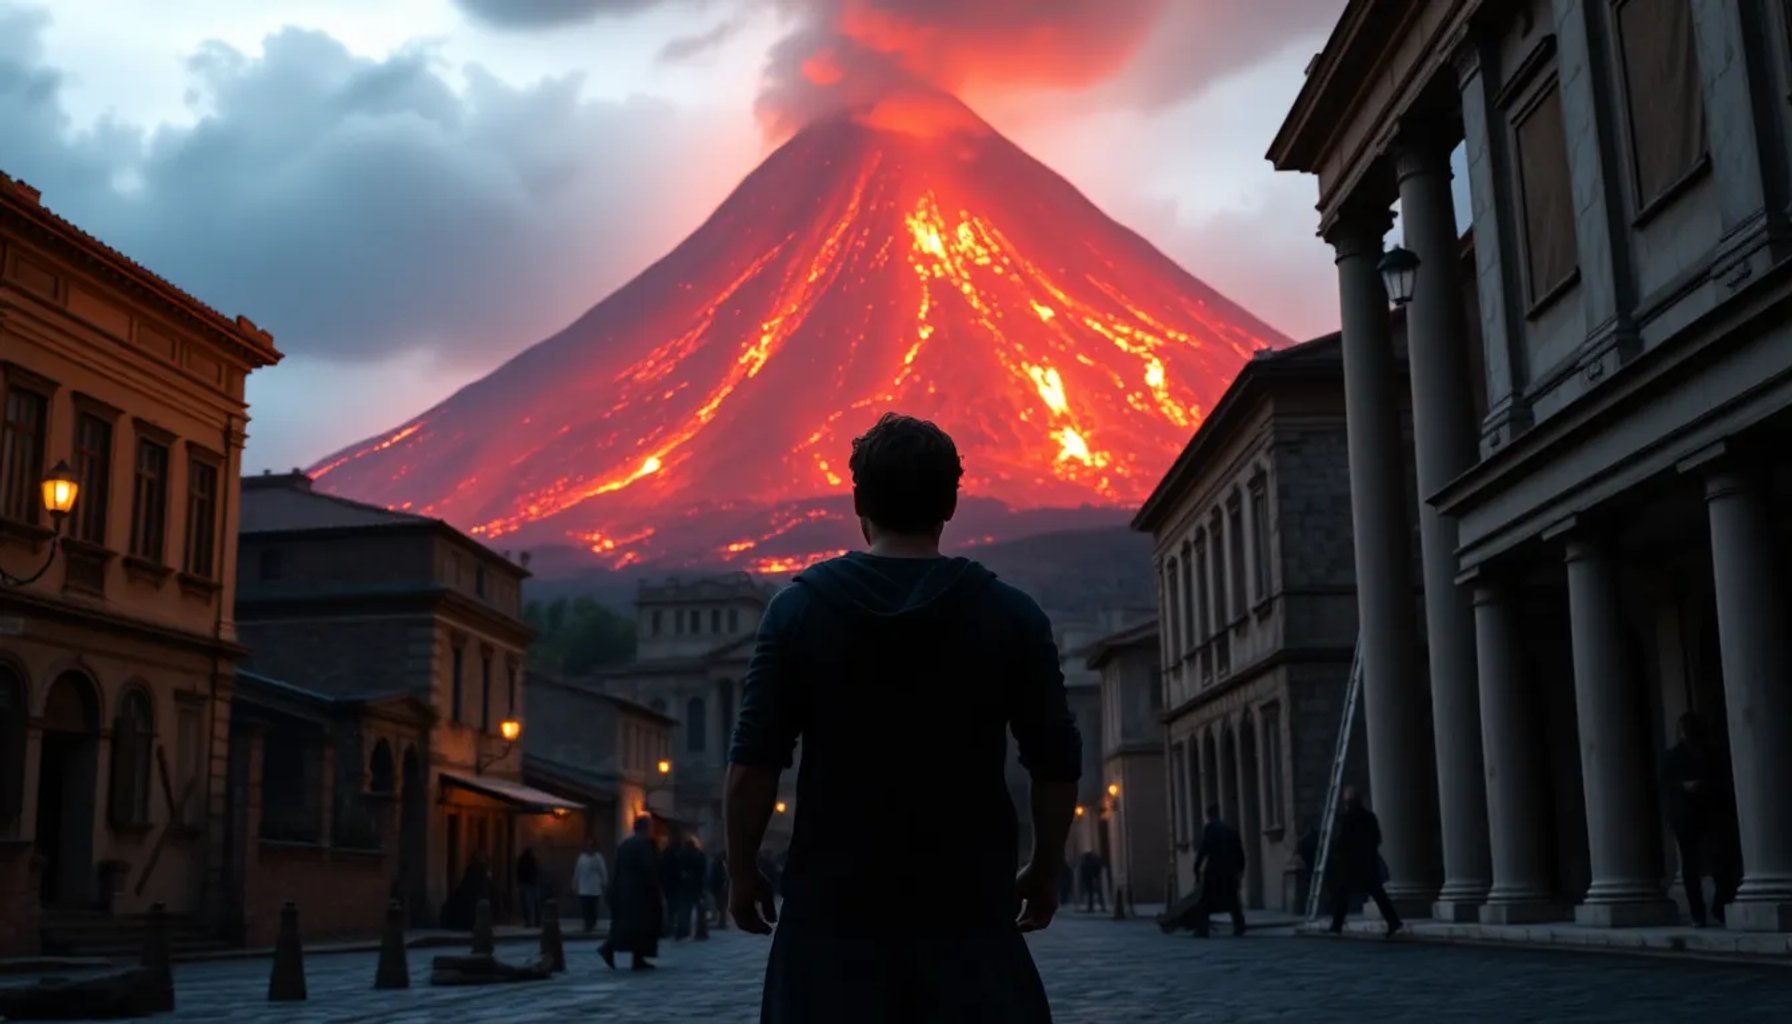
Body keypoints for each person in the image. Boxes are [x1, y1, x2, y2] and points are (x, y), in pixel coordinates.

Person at [724, 413, 1082, 1024]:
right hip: (967, 912)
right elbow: (1055, 761)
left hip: (832, 918)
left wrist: (740, 870)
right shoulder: (1011, 615)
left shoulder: (798, 611)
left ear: (858, 501)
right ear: (951, 504)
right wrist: (1046, 870)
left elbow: (753, 763)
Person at [1662, 711, 1742, 926]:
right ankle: (1698, 913)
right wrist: (1683, 786)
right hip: (1685, 816)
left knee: (1720, 860)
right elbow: (1665, 783)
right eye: (1684, 730)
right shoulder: (1674, 756)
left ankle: (1719, 905)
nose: (1686, 734)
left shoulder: (1712, 754)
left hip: (1710, 812)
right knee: (1691, 865)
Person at [1327, 786, 1403, 937]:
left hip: (1350, 864)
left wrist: (1338, 854)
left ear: (1347, 803)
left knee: (1343, 894)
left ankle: (1336, 926)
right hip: (1368, 862)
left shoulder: (1346, 819)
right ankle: (1393, 921)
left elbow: (1341, 841)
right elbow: (1377, 838)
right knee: (1377, 893)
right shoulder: (1369, 817)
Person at [600, 816, 663, 971]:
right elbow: (648, 868)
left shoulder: (626, 844)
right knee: (639, 925)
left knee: (630, 925)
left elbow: (618, 868)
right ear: (646, 828)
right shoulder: (644, 844)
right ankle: (610, 948)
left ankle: (638, 958)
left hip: (624, 891)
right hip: (639, 892)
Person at [1184, 805, 1247, 937]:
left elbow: (1203, 849)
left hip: (1214, 869)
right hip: (1230, 869)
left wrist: (1196, 867)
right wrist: (1240, 869)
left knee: (1205, 900)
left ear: (1208, 816)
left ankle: (1202, 929)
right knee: (1233, 899)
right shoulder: (1230, 830)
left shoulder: (1210, 829)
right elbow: (1239, 852)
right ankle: (1239, 925)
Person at [572, 838, 609, 933]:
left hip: (594, 887)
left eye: (591, 846)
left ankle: (592, 923)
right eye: (588, 846)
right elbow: (577, 871)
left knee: (593, 907)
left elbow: (603, 871)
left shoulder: (598, 857)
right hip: (583, 887)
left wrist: (604, 882)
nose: (590, 848)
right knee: (585, 906)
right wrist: (575, 883)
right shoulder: (582, 858)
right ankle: (587, 923)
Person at [515, 847, 540, 927]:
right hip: (530, 884)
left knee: (526, 904)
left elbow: (518, 872)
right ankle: (535, 921)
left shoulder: (521, 860)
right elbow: (536, 871)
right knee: (532, 903)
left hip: (524, 884)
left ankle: (528, 921)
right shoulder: (532, 861)